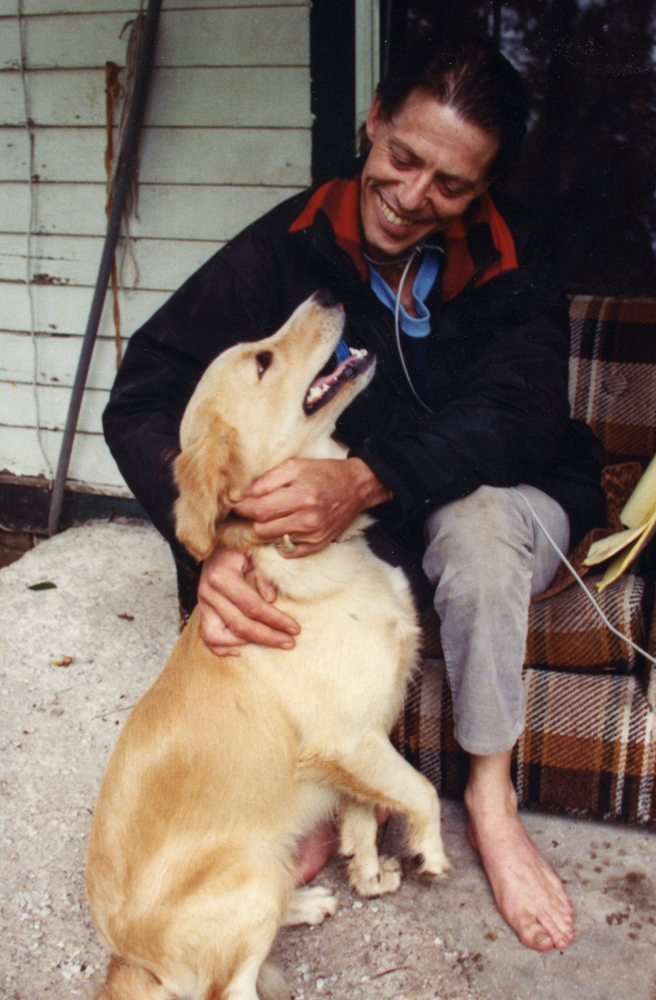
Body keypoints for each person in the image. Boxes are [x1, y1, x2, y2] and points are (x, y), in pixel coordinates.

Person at [103, 36, 606, 953]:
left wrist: (369, 476)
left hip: (503, 495)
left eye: (449, 185)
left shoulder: (514, 253)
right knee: (262, 547)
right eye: (403, 158)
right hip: (377, 520)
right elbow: (145, 391)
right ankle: (311, 794)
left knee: (478, 522)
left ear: (484, 188)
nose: (414, 197)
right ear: (372, 123)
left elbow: (520, 412)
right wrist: (210, 543)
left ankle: (490, 801)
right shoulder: (283, 250)